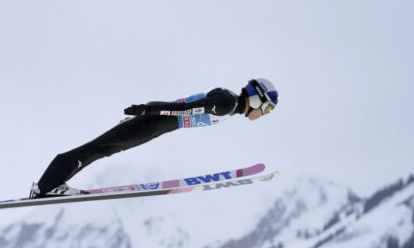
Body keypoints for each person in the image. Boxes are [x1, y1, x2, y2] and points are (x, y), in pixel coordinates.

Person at [29, 78, 279, 198]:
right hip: (157, 121)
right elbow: (183, 109)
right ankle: (46, 186)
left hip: (159, 123)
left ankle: (47, 185)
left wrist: (149, 112)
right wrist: (147, 110)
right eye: (266, 108)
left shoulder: (228, 99)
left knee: (101, 148)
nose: (264, 114)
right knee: (99, 148)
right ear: (256, 99)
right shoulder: (226, 103)